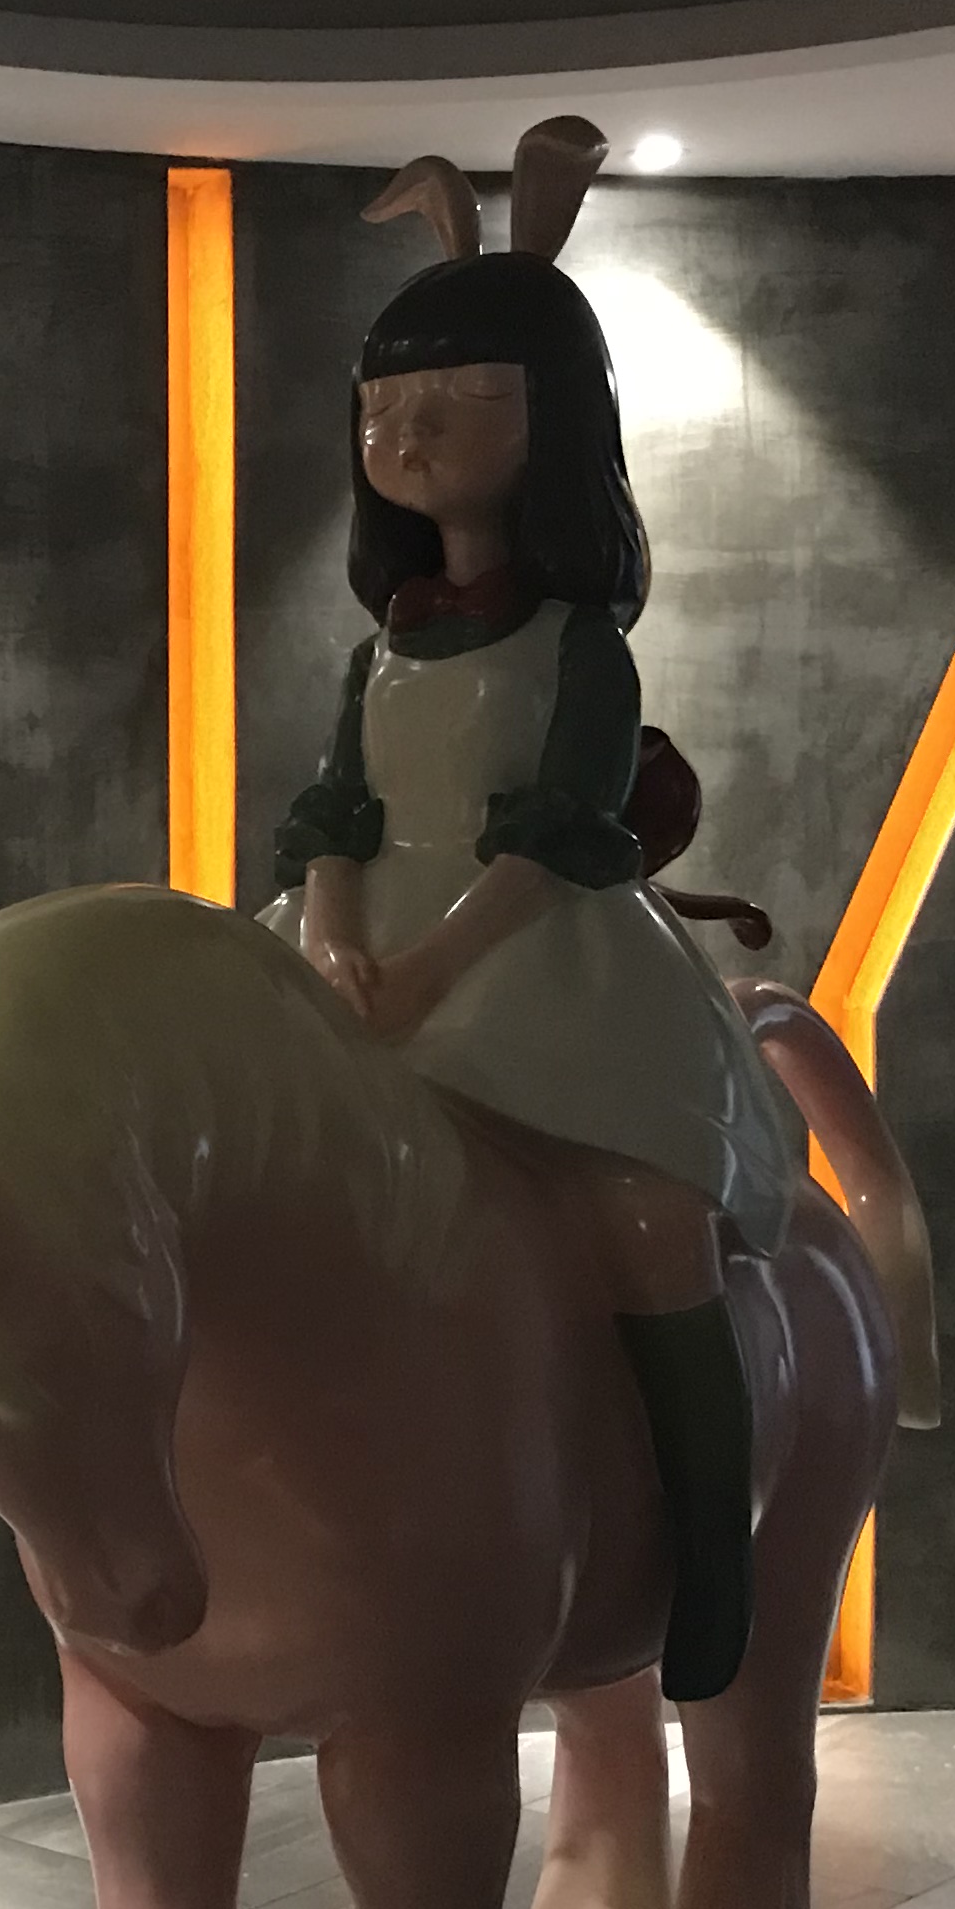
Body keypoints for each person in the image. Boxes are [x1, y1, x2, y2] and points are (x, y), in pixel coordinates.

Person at [268, 119, 804, 1701]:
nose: (415, 434)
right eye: (388, 409)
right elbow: (336, 810)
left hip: (540, 957)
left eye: (465, 402)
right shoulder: (378, 650)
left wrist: (433, 962)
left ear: (555, 423)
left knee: (645, 1221)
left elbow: (569, 829)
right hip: (372, 953)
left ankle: (715, 1547)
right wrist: (332, 940)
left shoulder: (579, 648)